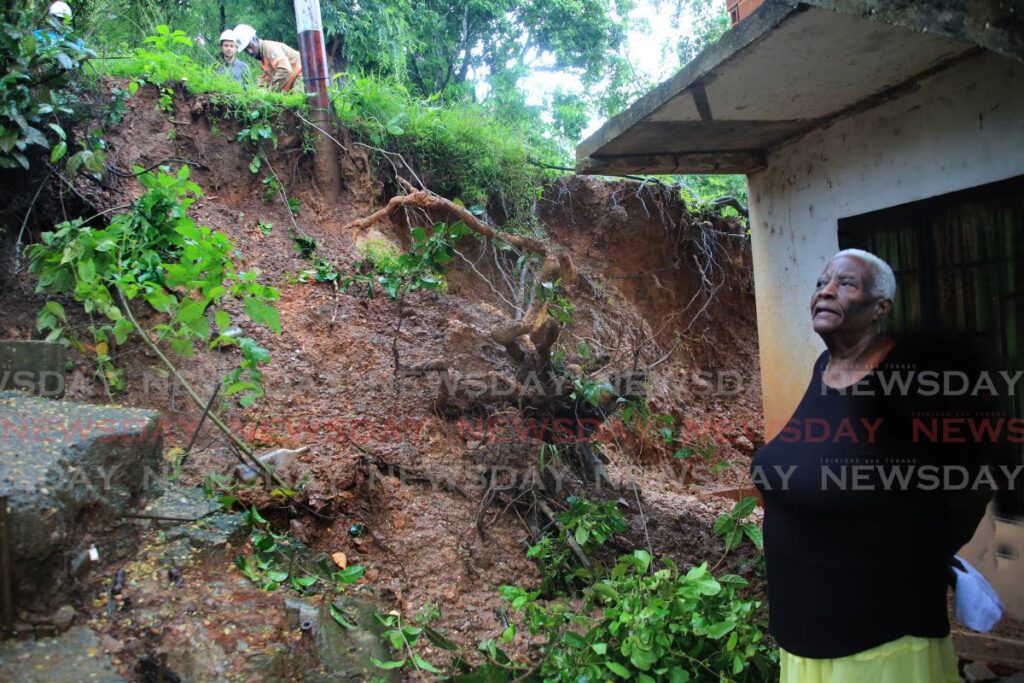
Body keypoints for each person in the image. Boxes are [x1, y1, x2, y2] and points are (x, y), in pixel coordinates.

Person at [751, 248, 999, 682]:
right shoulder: (825, 368)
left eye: (845, 284)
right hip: (806, 631)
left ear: (880, 307)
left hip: (879, 638)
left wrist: (920, 554)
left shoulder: (911, 375)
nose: (825, 292)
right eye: (820, 283)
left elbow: (972, 480)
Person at [232, 24, 302, 93]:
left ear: (255, 39)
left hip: (303, 74)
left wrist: (269, 92)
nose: (249, 51)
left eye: (250, 46)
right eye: (246, 50)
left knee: (298, 96)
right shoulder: (263, 58)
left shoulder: (270, 48)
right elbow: (268, 77)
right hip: (294, 79)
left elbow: (285, 70)